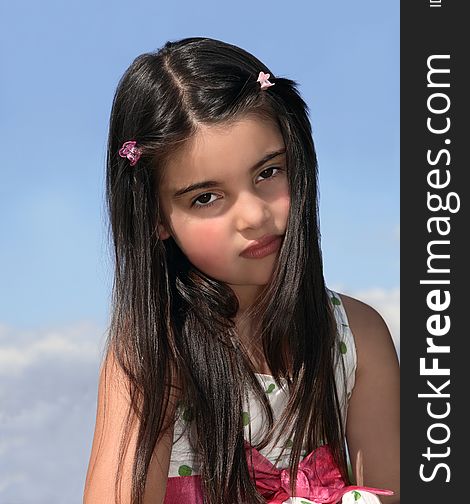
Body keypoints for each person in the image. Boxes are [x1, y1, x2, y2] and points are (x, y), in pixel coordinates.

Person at [83, 37, 400, 504]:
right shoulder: (154, 350)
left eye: (268, 172)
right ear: (154, 217)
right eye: (205, 198)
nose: (252, 216)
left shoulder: (355, 337)